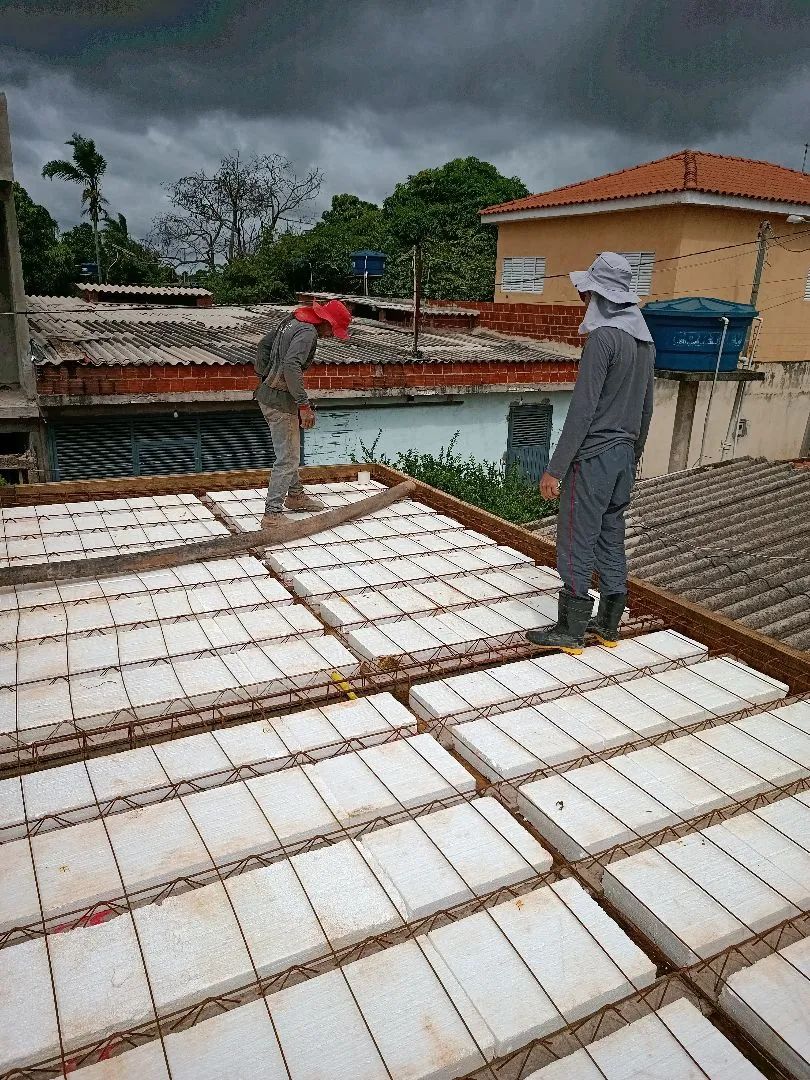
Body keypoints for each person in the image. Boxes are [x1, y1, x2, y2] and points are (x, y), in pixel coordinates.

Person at [526, 252, 655, 654]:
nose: (583, 298)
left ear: (598, 295)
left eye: (585, 292)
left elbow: (583, 410)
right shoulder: (644, 340)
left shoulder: (603, 339)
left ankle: (571, 627)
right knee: (611, 535)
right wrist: (633, 458)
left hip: (595, 456)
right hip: (623, 458)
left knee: (576, 539)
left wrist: (555, 469)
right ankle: (609, 621)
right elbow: (647, 407)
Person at [255, 298, 352, 527]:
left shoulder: (292, 320)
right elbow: (291, 365)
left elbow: (263, 345)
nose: (331, 335)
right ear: (326, 322)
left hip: (269, 395)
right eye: (333, 330)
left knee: (290, 449)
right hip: (280, 401)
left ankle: (295, 495)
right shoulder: (308, 333)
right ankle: (272, 514)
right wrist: (303, 405)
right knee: (287, 457)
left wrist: (264, 377)